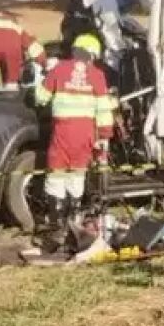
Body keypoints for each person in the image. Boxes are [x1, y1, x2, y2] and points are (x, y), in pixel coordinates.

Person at [35, 33, 115, 244]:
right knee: (76, 178)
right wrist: (104, 135)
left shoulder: (59, 69)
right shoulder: (97, 75)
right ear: (92, 55)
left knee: (55, 178)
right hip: (85, 135)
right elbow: (104, 110)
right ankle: (74, 223)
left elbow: (40, 98)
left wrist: (43, 77)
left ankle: (56, 227)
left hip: (62, 133)